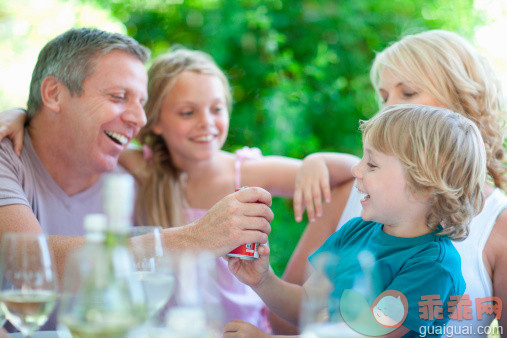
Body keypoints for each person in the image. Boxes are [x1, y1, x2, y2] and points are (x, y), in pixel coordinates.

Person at [0, 28, 274, 332]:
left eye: (141, 103)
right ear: (53, 93)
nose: (140, 118)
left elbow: (331, 177)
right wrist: (195, 238)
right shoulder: (7, 160)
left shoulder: (132, 172)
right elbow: (32, 263)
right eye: (119, 97)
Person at [279, 29, 507, 335]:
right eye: (384, 96)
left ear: (463, 100)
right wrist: (315, 160)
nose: (389, 108)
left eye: (408, 93)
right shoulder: (352, 192)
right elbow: (287, 317)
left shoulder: (498, 224)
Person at [116, 47, 358, 331]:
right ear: (154, 121)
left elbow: (354, 172)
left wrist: (316, 160)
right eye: (187, 112)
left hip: (244, 328)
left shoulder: (245, 171)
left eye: (216, 109)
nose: (206, 121)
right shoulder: (144, 168)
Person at [224, 104, 487, 337]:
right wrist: (262, 279)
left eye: (371, 164)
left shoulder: (433, 267)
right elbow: (309, 305)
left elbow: (365, 334)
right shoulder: (356, 230)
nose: (356, 169)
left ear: (423, 186)